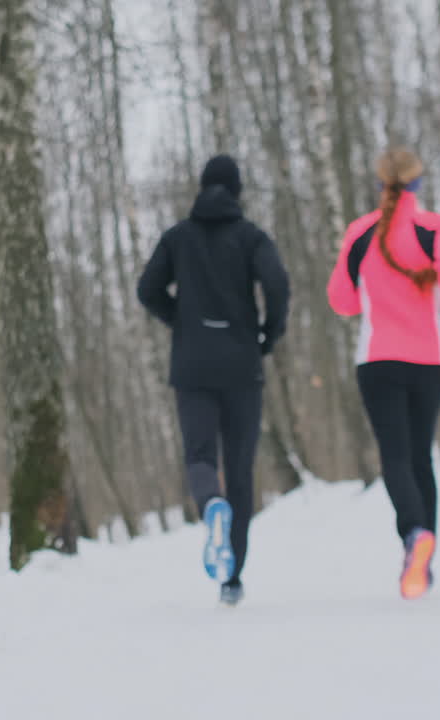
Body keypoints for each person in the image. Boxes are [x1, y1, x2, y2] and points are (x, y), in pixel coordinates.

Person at [137, 154, 291, 607]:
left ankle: (211, 509)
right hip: (242, 364)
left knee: (201, 457)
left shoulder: (177, 238)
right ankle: (232, 577)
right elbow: (278, 283)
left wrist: (181, 323)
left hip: (193, 366)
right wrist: (268, 333)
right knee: (240, 471)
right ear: (238, 191)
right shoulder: (250, 237)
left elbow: (148, 289)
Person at [327, 146, 440, 600]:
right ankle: (425, 557)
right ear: (419, 183)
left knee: (395, 455)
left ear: (380, 184)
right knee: (421, 454)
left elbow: (341, 301)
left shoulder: (360, 233)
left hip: (378, 359)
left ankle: (413, 537)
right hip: (431, 358)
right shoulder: (434, 228)